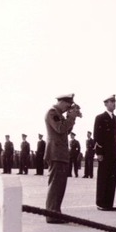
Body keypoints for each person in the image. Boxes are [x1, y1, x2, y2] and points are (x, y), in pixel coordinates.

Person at [42, 93, 80, 223]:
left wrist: (72, 118)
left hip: (61, 154)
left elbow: (66, 131)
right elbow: (60, 128)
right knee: (55, 186)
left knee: (60, 186)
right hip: (55, 153)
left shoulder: (60, 115)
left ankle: (56, 212)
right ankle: (52, 214)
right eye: (68, 106)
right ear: (63, 102)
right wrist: (71, 117)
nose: (67, 109)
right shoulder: (52, 113)